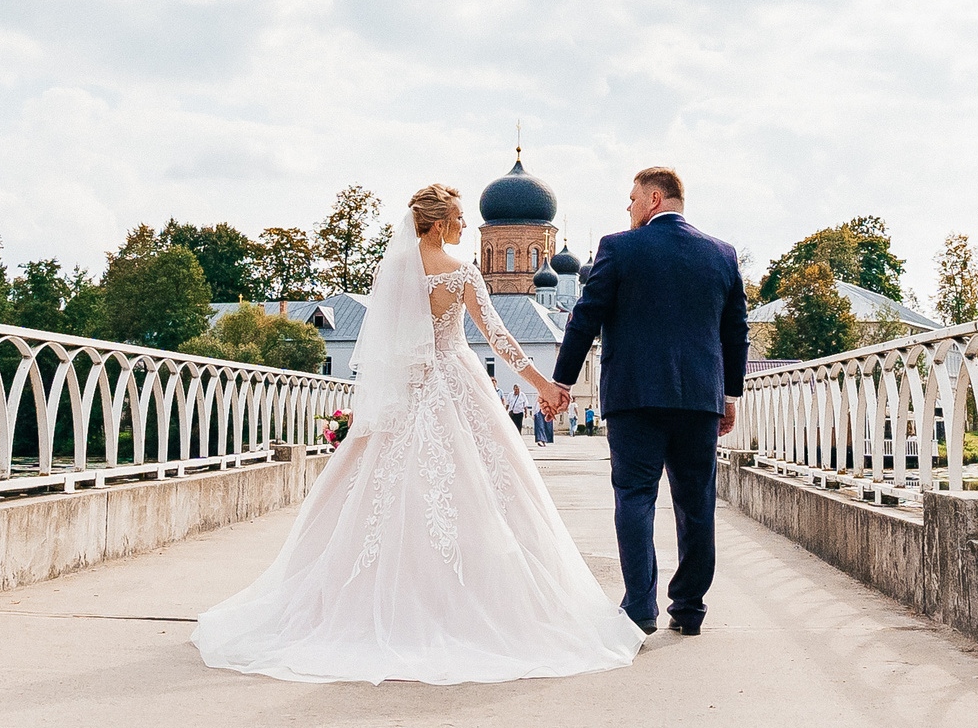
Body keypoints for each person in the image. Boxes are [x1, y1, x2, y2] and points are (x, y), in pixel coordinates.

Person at [193, 183, 642, 683]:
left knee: (384, 487)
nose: (465, 225)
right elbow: (499, 337)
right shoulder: (463, 273)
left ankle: (381, 600)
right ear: (436, 224)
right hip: (454, 379)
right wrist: (545, 385)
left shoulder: (396, 272)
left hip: (408, 390)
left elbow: (386, 340)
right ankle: (467, 605)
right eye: (457, 218)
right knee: (481, 489)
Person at [545, 167, 746, 637]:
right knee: (697, 503)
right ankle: (690, 609)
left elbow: (585, 317)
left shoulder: (619, 248)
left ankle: (640, 607)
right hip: (699, 399)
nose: (628, 207)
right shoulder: (721, 254)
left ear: (654, 198)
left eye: (632, 199)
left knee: (634, 498)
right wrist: (729, 394)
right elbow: (736, 332)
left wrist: (562, 382)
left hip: (634, 398)